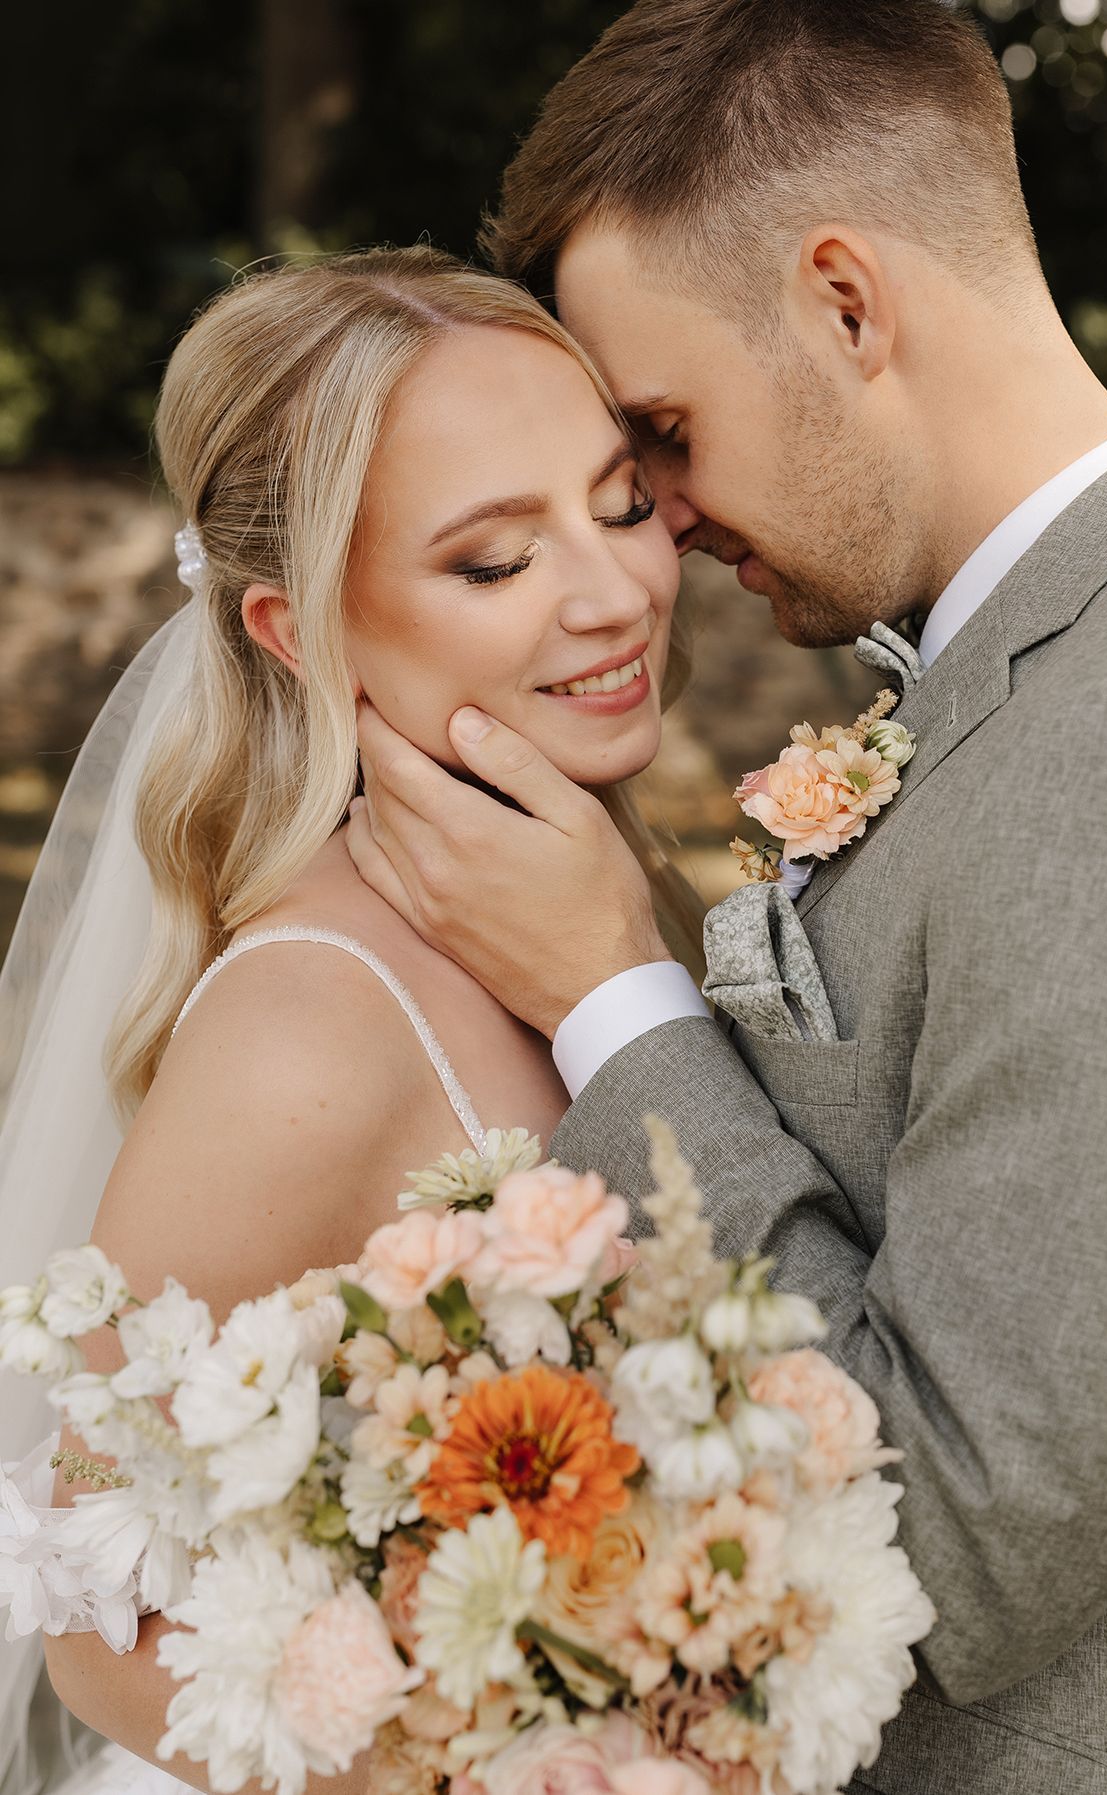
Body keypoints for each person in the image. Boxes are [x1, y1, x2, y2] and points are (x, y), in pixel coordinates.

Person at [343, 4, 1107, 1793]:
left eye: (659, 429)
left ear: (842, 302)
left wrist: (608, 993)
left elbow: (953, 1539)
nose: (651, 519)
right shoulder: (1039, 663)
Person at [0, 244, 701, 1795]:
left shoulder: (598, 911)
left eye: (620, 504)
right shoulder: (311, 1020)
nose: (613, 592)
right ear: (298, 632)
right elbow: (98, 1612)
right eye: (492, 562)